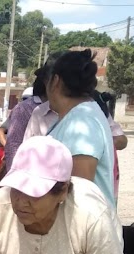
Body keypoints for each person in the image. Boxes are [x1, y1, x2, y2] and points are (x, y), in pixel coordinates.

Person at [43, 49, 115, 205]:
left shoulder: (81, 122)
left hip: (81, 227)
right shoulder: (76, 116)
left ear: (55, 81)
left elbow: (80, 192)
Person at [0, 82, 46, 254]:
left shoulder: (64, 111)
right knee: (18, 227)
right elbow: (8, 136)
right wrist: (15, 168)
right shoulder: (26, 109)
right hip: (23, 180)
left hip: (46, 182)